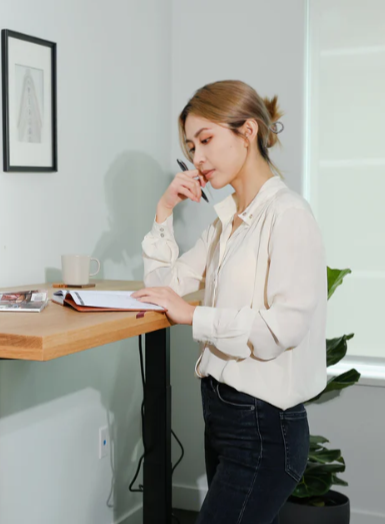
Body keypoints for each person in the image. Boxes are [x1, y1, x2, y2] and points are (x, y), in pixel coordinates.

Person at [131, 80, 327, 524]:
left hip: (262, 426)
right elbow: (164, 286)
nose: (197, 158)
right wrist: (164, 211)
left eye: (206, 140)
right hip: (224, 415)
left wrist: (195, 316)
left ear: (248, 131)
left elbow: (284, 328)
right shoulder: (226, 224)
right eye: (189, 145)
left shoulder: (288, 215)